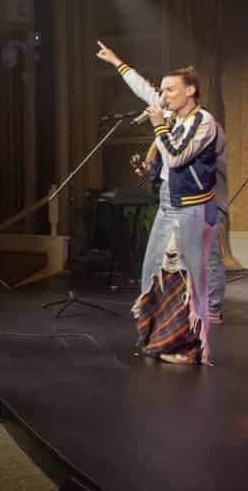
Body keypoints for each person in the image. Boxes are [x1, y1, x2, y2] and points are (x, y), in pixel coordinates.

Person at [95, 43, 225, 361]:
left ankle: (193, 348)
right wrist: (117, 62)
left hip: (192, 206)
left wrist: (158, 124)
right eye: (163, 89)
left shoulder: (203, 121)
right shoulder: (171, 115)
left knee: (189, 277)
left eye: (170, 89)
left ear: (190, 91)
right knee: (153, 270)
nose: (163, 95)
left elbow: (178, 156)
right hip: (170, 202)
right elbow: (143, 88)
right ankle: (163, 340)